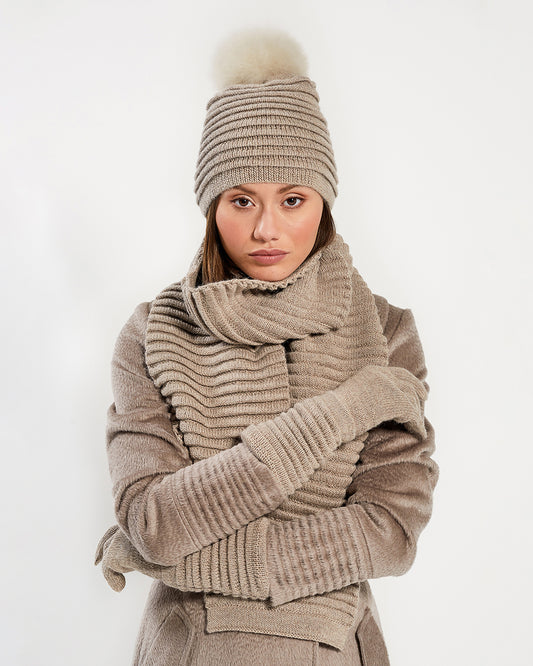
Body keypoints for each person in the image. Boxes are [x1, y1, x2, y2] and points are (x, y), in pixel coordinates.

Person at [95, 29, 439, 666]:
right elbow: (155, 522)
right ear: (210, 206)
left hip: (336, 650)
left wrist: (166, 555)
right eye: (242, 199)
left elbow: (389, 535)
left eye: (293, 199)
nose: (266, 228)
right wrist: (345, 409)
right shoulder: (152, 334)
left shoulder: (386, 333)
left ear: (324, 202)